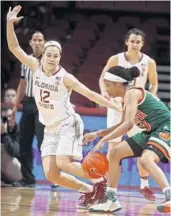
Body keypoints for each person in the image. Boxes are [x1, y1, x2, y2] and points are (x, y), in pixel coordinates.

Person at [6, 5, 120, 208]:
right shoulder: (34, 66)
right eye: (49, 54)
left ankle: (100, 182)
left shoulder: (65, 77)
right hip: (50, 128)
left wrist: (114, 106)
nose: (51, 58)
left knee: (63, 163)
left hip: (68, 123)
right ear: (44, 55)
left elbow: (90, 94)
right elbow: (14, 48)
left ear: (60, 57)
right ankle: (89, 190)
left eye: (55, 55)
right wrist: (8, 24)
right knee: (51, 174)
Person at [83, 66, 170, 213]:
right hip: (151, 131)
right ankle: (111, 200)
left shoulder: (132, 92)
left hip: (166, 127)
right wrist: (98, 134)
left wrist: (104, 141)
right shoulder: (125, 99)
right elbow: (122, 124)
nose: (107, 90)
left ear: (118, 84)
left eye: (108, 86)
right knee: (115, 152)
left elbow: (129, 125)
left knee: (146, 160)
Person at [99, 28, 158, 201]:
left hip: (137, 107)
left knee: (143, 148)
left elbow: (153, 84)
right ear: (126, 42)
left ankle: (144, 185)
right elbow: (103, 77)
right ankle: (109, 189)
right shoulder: (116, 59)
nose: (135, 44)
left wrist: (151, 95)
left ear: (142, 44)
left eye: (138, 42)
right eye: (132, 41)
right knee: (113, 149)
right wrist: (104, 93)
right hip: (117, 105)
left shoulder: (149, 62)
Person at [10, 30, 45, 187]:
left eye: (40, 40)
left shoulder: (49, 61)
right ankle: (28, 178)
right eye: (35, 39)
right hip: (28, 104)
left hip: (43, 105)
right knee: (24, 143)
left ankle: (55, 178)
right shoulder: (26, 61)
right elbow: (22, 85)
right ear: (30, 42)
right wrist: (14, 108)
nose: (37, 42)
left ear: (44, 43)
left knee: (43, 144)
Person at [1, 107, 23, 184]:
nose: (8, 119)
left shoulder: (19, 130)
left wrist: (4, 134)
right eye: (4, 118)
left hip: (16, 171)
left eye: (10, 116)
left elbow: (14, 151)